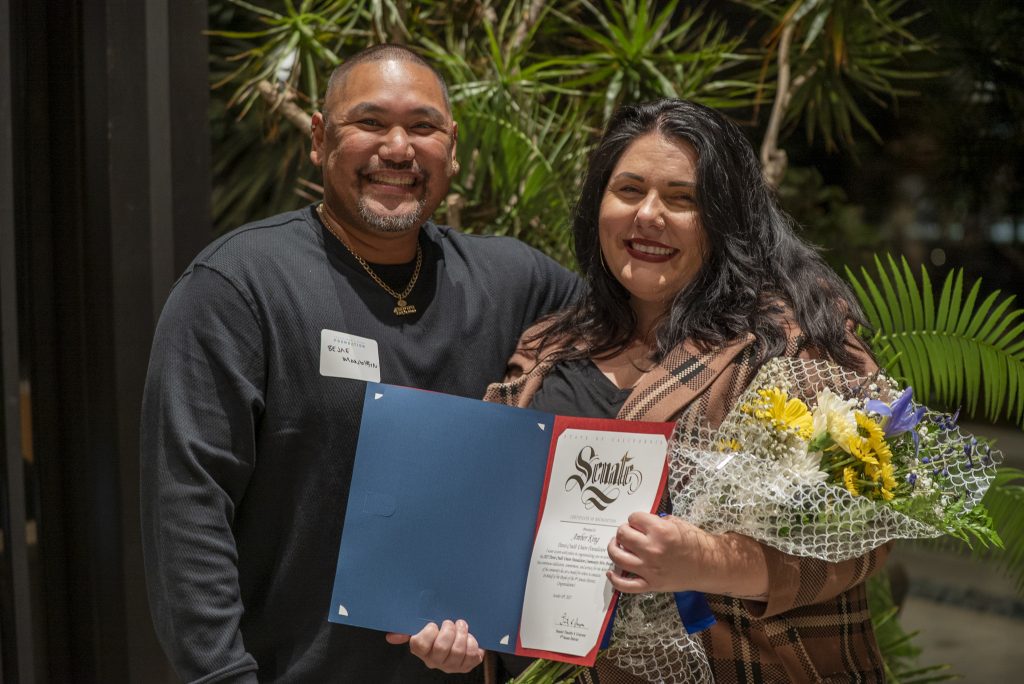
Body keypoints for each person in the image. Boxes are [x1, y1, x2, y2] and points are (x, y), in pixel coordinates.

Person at [140, 44, 579, 683]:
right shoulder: (239, 288)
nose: (398, 148)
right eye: (369, 123)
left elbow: (641, 339)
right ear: (319, 139)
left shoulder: (516, 283)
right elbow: (188, 510)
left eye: (423, 127)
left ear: (452, 146)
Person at [483, 99, 887, 682]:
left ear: (728, 218)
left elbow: (864, 538)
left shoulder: (789, 344)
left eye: (683, 198)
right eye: (629, 189)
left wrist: (706, 561)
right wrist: (459, 617)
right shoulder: (551, 342)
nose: (649, 215)